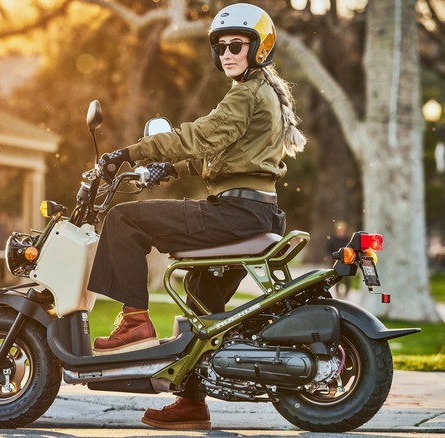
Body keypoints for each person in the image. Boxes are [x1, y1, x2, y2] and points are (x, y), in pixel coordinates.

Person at [87, 3, 306, 429]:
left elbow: (200, 136)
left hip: (236, 214)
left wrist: (127, 154)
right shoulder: (261, 92)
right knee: (201, 297)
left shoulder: (247, 94)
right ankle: (191, 403)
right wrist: (170, 168)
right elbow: (222, 155)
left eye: (236, 45)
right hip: (255, 214)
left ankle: (135, 321)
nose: (227, 53)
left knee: (124, 220)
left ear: (259, 48)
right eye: (220, 46)